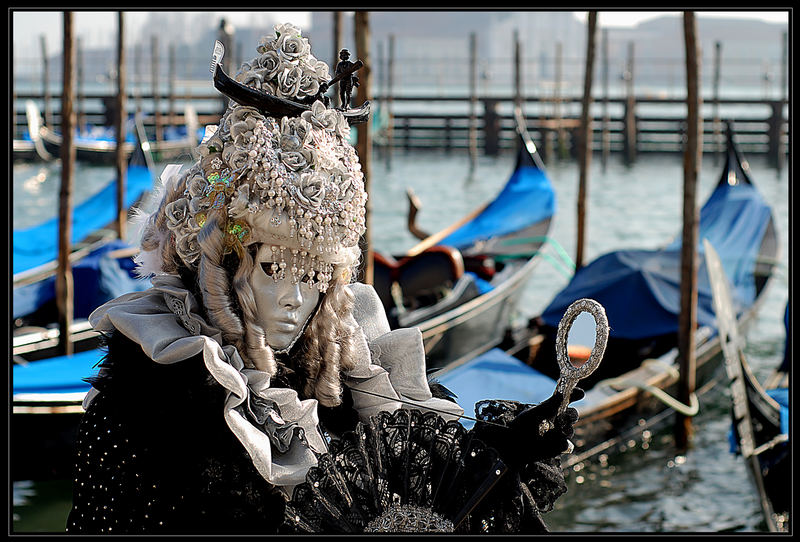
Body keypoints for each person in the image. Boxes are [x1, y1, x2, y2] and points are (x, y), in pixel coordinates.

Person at [66, 23, 580, 534]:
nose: (294, 299)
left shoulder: (357, 370)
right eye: (274, 269)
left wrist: (501, 456)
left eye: (314, 275)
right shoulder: (148, 402)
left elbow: (434, 479)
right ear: (222, 265)